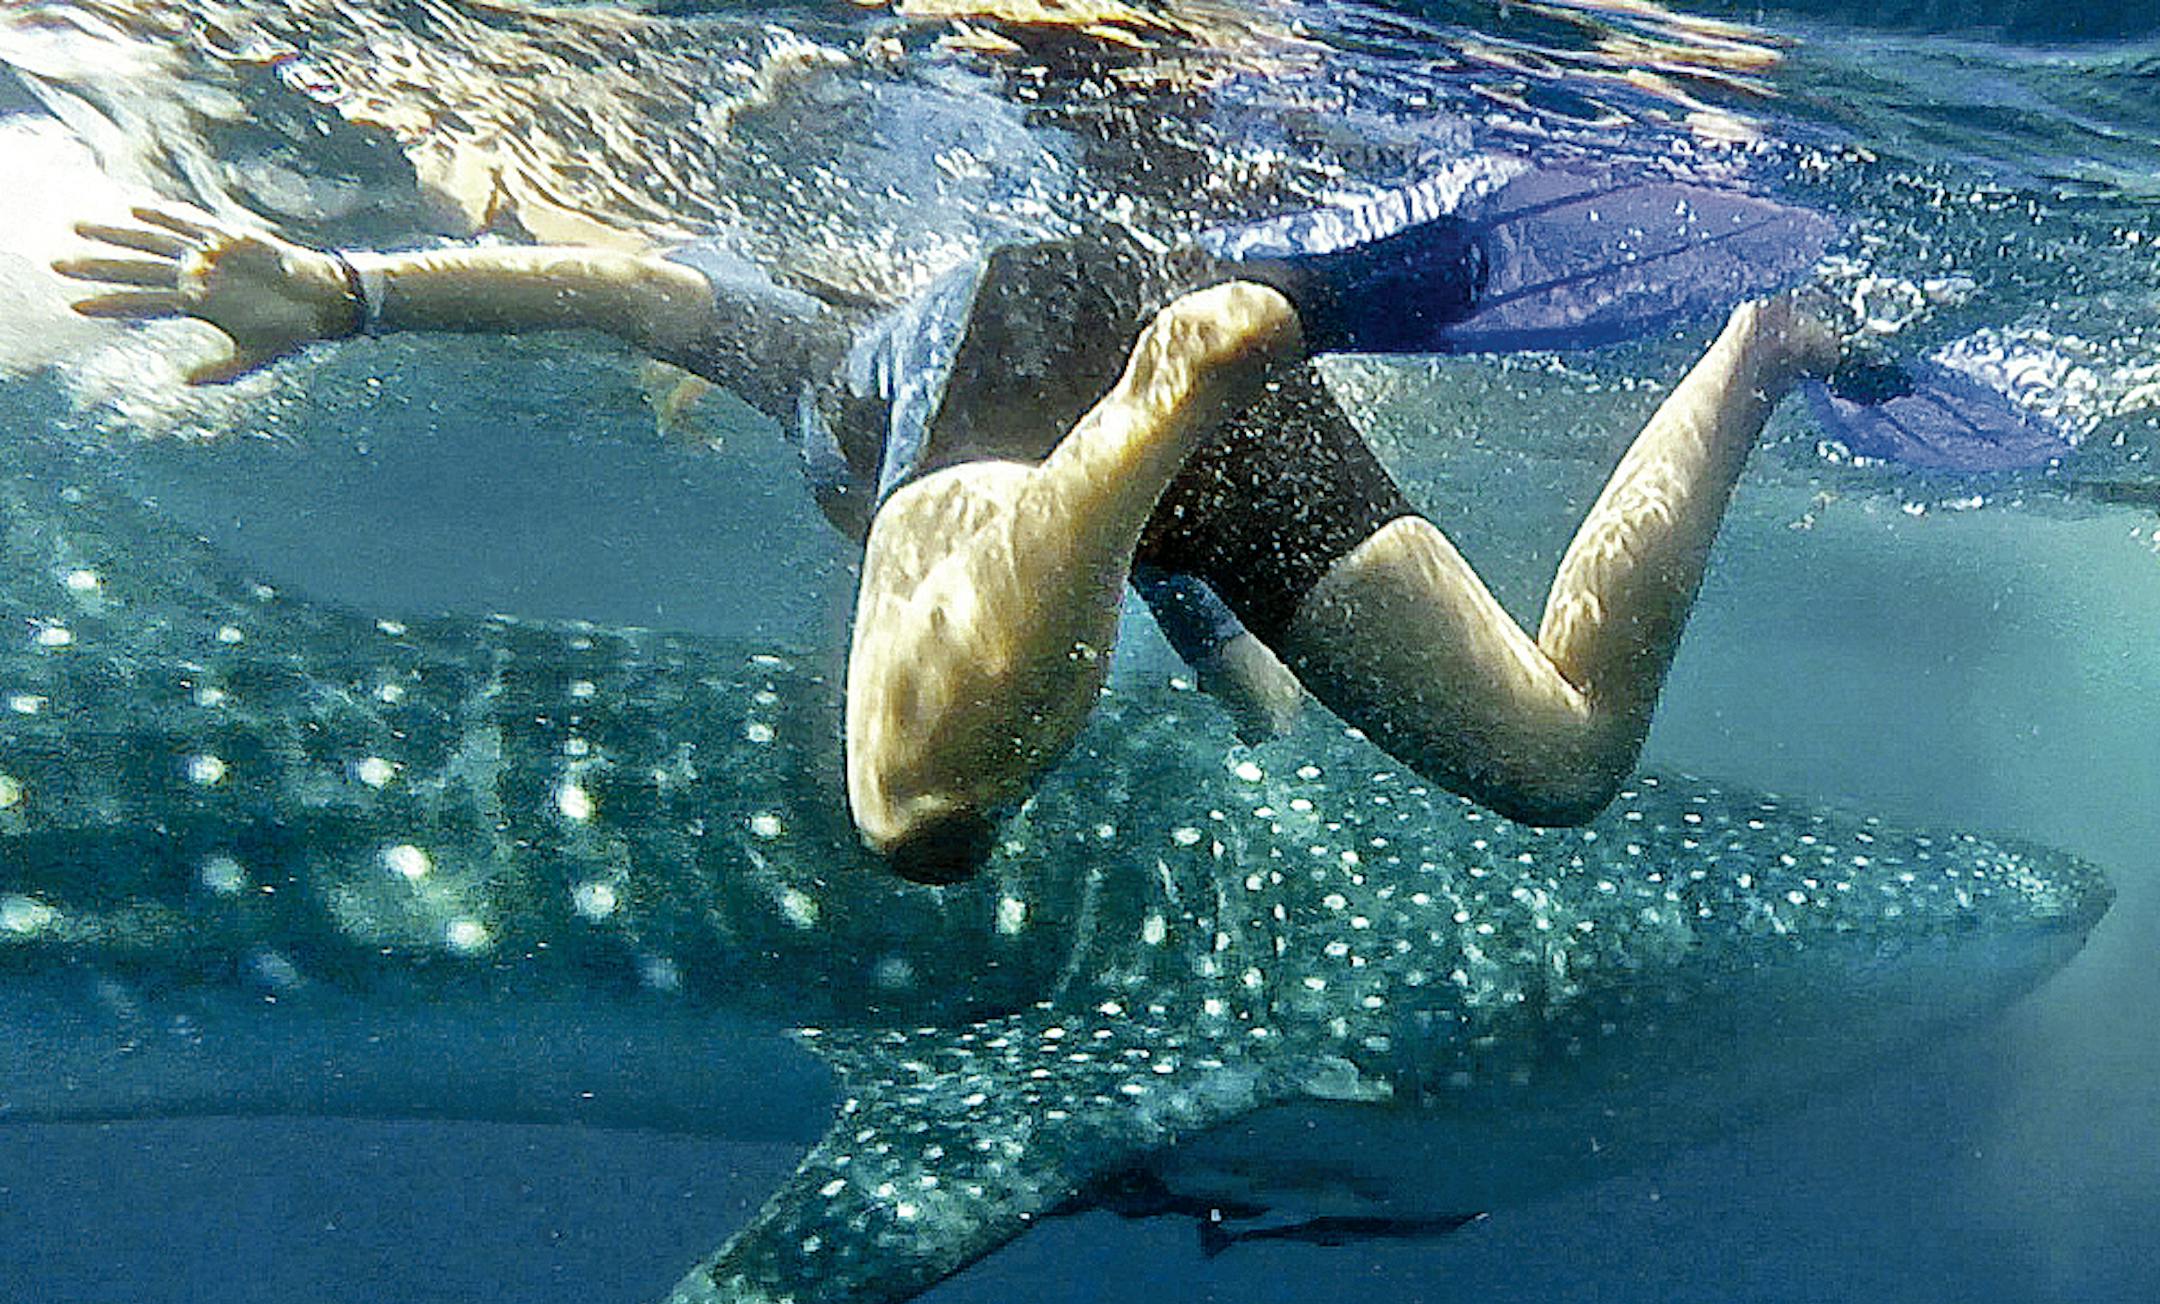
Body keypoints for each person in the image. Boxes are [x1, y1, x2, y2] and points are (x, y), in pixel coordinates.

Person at [55, 188, 1842, 884]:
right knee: (1561, 757)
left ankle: (1169, 388)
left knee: (915, 804)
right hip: (1190, 398)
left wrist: (352, 288)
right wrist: (1239, 684)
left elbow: (620, 288)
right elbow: (1179, 577)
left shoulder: (823, 348)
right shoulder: (978, 472)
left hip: (1054, 345)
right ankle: (1755, 361)